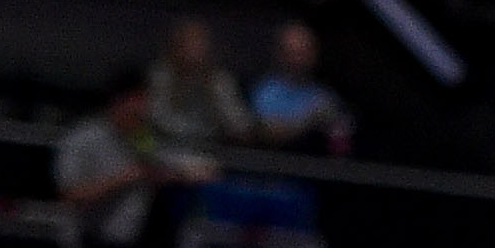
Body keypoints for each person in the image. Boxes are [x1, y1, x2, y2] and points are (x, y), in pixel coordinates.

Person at [55, 70, 214, 248]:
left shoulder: (143, 138)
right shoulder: (83, 139)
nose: (142, 109)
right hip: (91, 240)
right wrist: (124, 177)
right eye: (137, 101)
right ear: (118, 101)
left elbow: (195, 168)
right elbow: (70, 194)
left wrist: (173, 174)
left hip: (135, 243)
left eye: (145, 102)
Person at [249, 22, 353, 154]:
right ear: (280, 54)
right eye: (293, 52)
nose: (299, 59)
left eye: (305, 52)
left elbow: (341, 137)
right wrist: (311, 119)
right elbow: (268, 134)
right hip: (276, 165)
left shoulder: (324, 94)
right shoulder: (266, 91)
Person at [148, 18, 252, 147]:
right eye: (188, 43)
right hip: (168, 146)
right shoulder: (161, 76)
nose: (194, 49)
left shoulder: (219, 80)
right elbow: (157, 117)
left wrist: (215, 95)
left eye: (199, 43)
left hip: (214, 149)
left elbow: (239, 123)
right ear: (175, 47)